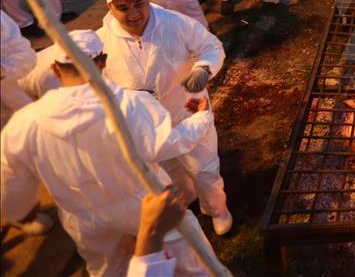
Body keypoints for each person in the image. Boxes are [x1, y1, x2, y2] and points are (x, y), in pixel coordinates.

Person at [1, 29, 217, 275]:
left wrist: (20, 210)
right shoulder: (131, 104)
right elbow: (166, 143)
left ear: (55, 69)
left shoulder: (25, 123)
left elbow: (9, 180)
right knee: (190, 259)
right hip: (144, 202)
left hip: (84, 218)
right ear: (103, 61)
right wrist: (201, 118)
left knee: (109, 268)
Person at [97, 0, 232, 237]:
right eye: (123, 8)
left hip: (186, 107)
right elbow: (99, 80)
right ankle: (187, 198)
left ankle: (217, 208)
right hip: (145, 121)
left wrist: (203, 69)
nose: (134, 13)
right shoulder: (102, 40)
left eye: (139, 3)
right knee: (169, 168)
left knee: (204, 167)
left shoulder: (174, 22)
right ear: (110, 8)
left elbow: (211, 47)